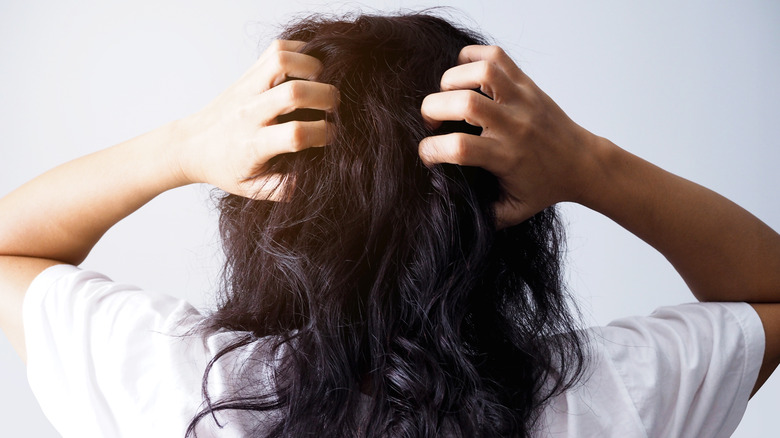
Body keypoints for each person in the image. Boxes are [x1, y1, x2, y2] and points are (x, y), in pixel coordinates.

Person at [0, 11, 778, 438]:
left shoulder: (184, 391)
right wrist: (588, 163)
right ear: (498, 215)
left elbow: (10, 248)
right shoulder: (610, 397)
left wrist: (183, 146)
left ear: (275, 213)